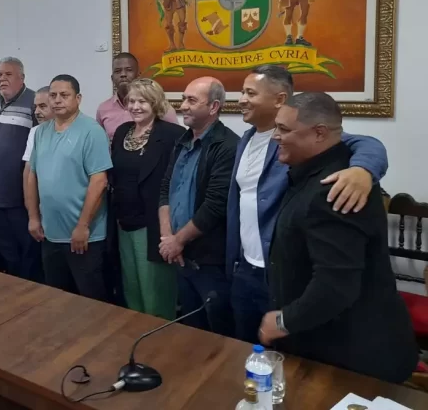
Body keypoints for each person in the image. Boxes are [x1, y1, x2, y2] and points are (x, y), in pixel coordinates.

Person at [259, 92, 417, 383]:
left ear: (319, 133)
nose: (275, 137)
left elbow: (336, 286)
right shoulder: (311, 170)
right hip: (326, 341)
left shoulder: (335, 190)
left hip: (353, 354)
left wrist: (283, 321)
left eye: (283, 130)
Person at [227, 65, 390, 344]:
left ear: (279, 100)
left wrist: (363, 169)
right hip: (244, 268)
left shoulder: (300, 137)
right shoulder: (246, 139)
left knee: (286, 361)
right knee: (246, 355)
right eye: (242, 91)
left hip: (278, 273)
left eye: (250, 93)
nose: (241, 99)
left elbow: (366, 143)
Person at [158, 77, 237, 337]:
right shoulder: (183, 141)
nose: (183, 106)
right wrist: (168, 238)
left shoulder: (227, 146)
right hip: (181, 257)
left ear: (213, 107)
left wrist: (177, 241)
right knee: (190, 333)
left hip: (209, 262)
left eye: (192, 100)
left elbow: (215, 205)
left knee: (217, 333)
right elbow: (165, 190)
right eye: (183, 99)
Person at [28, 75, 112, 301]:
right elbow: (32, 175)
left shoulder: (91, 131)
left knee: (90, 300)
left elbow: (99, 182)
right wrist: (34, 217)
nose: (57, 100)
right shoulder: (42, 132)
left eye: (64, 95)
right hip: (50, 234)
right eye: (53, 95)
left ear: (78, 98)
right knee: (57, 298)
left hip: (84, 236)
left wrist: (83, 226)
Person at [111, 79, 185, 320]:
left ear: (154, 102)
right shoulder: (123, 131)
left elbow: (177, 183)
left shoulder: (173, 134)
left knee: (156, 293)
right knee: (131, 287)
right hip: (124, 221)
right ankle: (136, 336)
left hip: (155, 225)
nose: (135, 106)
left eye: (141, 101)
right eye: (131, 101)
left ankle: (161, 346)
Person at [0, 57, 41, 281]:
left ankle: (29, 290)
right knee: (5, 245)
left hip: (20, 192)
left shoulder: (33, 101)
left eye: (8, 74)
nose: (2, 79)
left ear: (21, 77)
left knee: (26, 247)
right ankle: (12, 286)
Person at [96, 52, 178, 142]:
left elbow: (176, 140)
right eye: (117, 71)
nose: (123, 74)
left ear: (139, 75)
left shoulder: (160, 106)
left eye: (129, 70)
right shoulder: (103, 109)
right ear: (112, 78)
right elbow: (100, 143)